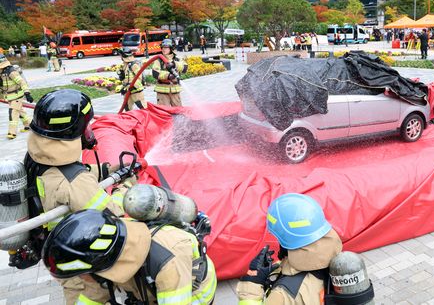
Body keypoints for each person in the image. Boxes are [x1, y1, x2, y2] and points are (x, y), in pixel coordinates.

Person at [21, 88, 129, 304]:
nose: (89, 131)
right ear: (74, 130)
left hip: (49, 246)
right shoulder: (75, 182)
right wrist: (122, 190)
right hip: (76, 258)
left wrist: (108, 169)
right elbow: (112, 217)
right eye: (86, 125)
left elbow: (68, 174)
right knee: (86, 296)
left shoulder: (37, 159)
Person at [42, 208, 217, 304]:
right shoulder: (109, 248)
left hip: (193, 295)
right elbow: (93, 297)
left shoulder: (166, 261)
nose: (80, 279)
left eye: (80, 274)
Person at [236, 193, 343, 304]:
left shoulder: (283, 294)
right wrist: (279, 267)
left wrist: (251, 286)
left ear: (285, 239)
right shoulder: (335, 259)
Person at [0, 54, 32, 139]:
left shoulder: (11, 72)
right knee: (20, 111)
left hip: (17, 96)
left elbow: (22, 82)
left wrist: (27, 93)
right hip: (10, 96)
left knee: (13, 113)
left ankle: (12, 132)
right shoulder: (2, 72)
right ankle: (29, 125)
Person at [152, 38, 187, 107]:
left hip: (175, 90)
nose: (163, 49)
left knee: (178, 111)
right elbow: (155, 73)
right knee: (164, 112)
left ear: (171, 48)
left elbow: (185, 68)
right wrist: (168, 76)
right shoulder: (159, 60)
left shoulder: (177, 59)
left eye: (166, 47)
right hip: (162, 91)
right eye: (162, 47)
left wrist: (175, 64)